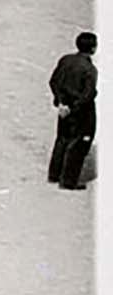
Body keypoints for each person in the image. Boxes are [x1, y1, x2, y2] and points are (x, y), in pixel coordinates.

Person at [49, 33, 97, 190]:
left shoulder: (66, 60)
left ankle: (54, 175)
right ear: (93, 48)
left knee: (62, 139)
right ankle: (69, 181)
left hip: (64, 108)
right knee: (79, 145)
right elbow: (88, 95)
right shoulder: (90, 69)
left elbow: (54, 81)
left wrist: (62, 102)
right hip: (81, 112)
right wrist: (73, 107)